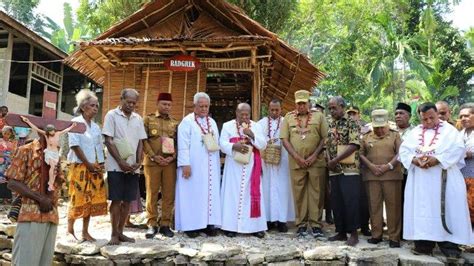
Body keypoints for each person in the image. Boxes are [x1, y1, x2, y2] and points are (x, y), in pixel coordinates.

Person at [399, 102, 473, 257]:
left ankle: (450, 247)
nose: (428, 122)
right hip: (420, 182)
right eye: (424, 119)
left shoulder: (450, 131)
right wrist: (414, 160)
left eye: (431, 118)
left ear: (437, 114)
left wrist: (437, 160)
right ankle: (423, 245)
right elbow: (404, 151)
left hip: (444, 179)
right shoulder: (415, 132)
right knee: (422, 210)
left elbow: (458, 150)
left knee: (449, 209)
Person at [6, 139, 63, 265]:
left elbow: (58, 182)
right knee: (25, 261)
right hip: (30, 214)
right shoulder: (25, 150)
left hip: (50, 214)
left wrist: (56, 172)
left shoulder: (55, 152)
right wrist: (39, 198)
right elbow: (13, 183)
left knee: (45, 262)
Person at [102, 88, 147, 245]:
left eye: (134, 103)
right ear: (121, 100)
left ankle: (121, 232)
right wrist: (121, 162)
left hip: (133, 167)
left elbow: (141, 141)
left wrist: (139, 161)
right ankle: (114, 234)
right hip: (116, 166)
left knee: (128, 200)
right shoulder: (111, 115)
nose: (131, 105)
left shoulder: (138, 118)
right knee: (116, 200)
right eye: (128, 102)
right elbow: (108, 140)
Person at [281, 91, 327, 237]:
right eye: (299, 103)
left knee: (316, 192)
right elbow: (284, 139)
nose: (301, 106)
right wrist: (296, 157)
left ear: (309, 103)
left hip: (316, 161)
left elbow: (324, 138)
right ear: (295, 104)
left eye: (304, 103)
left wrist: (314, 155)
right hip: (296, 162)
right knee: (298, 193)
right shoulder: (288, 118)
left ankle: (316, 225)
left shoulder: (319, 116)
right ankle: (301, 224)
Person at [176, 92, 222, 238]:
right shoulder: (187, 122)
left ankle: (208, 224)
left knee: (209, 194)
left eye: (206, 106)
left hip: (210, 166)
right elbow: (183, 145)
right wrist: (185, 165)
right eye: (201, 106)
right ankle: (191, 226)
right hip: (193, 166)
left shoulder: (212, 122)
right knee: (192, 194)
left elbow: (216, 143)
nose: (204, 109)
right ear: (194, 106)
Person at [219, 103, 267, 238]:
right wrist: (234, 146)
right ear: (236, 113)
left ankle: (255, 227)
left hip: (252, 167)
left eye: (247, 114)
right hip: (234, 167)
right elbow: (222, 144)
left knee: (251, 195)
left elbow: (263, 144)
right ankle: (230, 226)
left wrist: (252, 135)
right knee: (232, 195)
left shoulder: (256, 126)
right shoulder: (227, 126)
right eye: (242, 114)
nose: (245, 117)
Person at [66, 89, 107, 242]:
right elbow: (75, 146)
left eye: (97, 106)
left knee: (91, 199)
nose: (95, 108)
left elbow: (99, 147)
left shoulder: (96, 127)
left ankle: (85, 231)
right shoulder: (75, 122)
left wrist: (101, 164)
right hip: (79, 166)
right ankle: (70, 229)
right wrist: (88, 164)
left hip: (94, 167)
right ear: (83, 107)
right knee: (77, 197)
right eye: (92, 105)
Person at [360, 109, 402, 248]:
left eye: (382, 127)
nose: (379, 130)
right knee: (374, 205)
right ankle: (376, 235)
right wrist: (371, 166)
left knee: (393, 206)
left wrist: (388, 166)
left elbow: (400, 153)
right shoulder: (366, 137)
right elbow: (360, 154)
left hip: (392, 176)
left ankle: (394, 237)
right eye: (376, 127)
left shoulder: (395, 135)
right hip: (372, 176)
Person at [326, 96, 361, 246]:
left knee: (350, 201)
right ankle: (340, 231)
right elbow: (327, 144)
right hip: (334, 169)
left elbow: (354, 145)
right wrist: (329, 160)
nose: (332, 111)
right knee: (337, 201)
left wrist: (335, 160)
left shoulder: (351, 122)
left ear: (342, 107)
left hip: (349, 169)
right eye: (330, 108)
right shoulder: (330, 123)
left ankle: (353, 233)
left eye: (334, 108)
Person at [143, 92, 178, 239]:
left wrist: (171, 158)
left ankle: (165, 224)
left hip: (169, 164)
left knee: (168, 194)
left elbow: (178, 143)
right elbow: (143, 140)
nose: (167, 107)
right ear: (157, 104)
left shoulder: (175, 123)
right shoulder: (148, 119)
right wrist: (153, 156)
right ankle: (152, 224)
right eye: (164, 104)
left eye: (169, 105)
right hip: (152, 162)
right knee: (151, 192)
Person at [258, 99, 295, 233]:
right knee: (267, 188)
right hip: (266, 161)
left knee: (283, 190)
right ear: (268, 109)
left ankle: (282, 220)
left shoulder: (287, 122)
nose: (274, 112)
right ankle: (267, 220)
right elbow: (257, 140)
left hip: (283, 160)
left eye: (277, 110)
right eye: (272, 109)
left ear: (281, 109)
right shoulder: (261, 123)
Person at [21, 116, 76, 191]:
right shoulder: (46, 135)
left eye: (53, 130)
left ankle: (51, 184)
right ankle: (50, 184)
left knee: (55, 169)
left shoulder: (57, 133)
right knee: (52, 166)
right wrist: (27, 121)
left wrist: (72, 126)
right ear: (48, 131)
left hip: (55, 153)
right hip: (49, 153)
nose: (52, 132)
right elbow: (36, 129)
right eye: (50, 131)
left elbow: (66, 130)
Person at [346, 105, 370, 236]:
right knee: (351, 198)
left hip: (364, 168)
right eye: (349, 114)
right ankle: (352, 225)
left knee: (364, 199)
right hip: (350, 169)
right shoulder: (344, 129)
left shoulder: (366, 130)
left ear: (359, 115)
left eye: (354, 114)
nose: (351, 116)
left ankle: (365, 226)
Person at [459, 103, 474, 225]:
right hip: (461, 177)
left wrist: (469, 154)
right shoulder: (459, 134)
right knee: (464, 208)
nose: (463, 119)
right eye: (461, 116)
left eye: (467, 115)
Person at [0, 126, 17, 199]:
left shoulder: (12, 143)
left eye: (8, 134)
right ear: (2, 133)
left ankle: (6, 196)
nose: (6, 135)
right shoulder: (0, 141)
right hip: (1, 161)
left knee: (8, 177)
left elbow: (13, 153)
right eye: (5, 133)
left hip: (8, 162)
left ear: (10, 134)